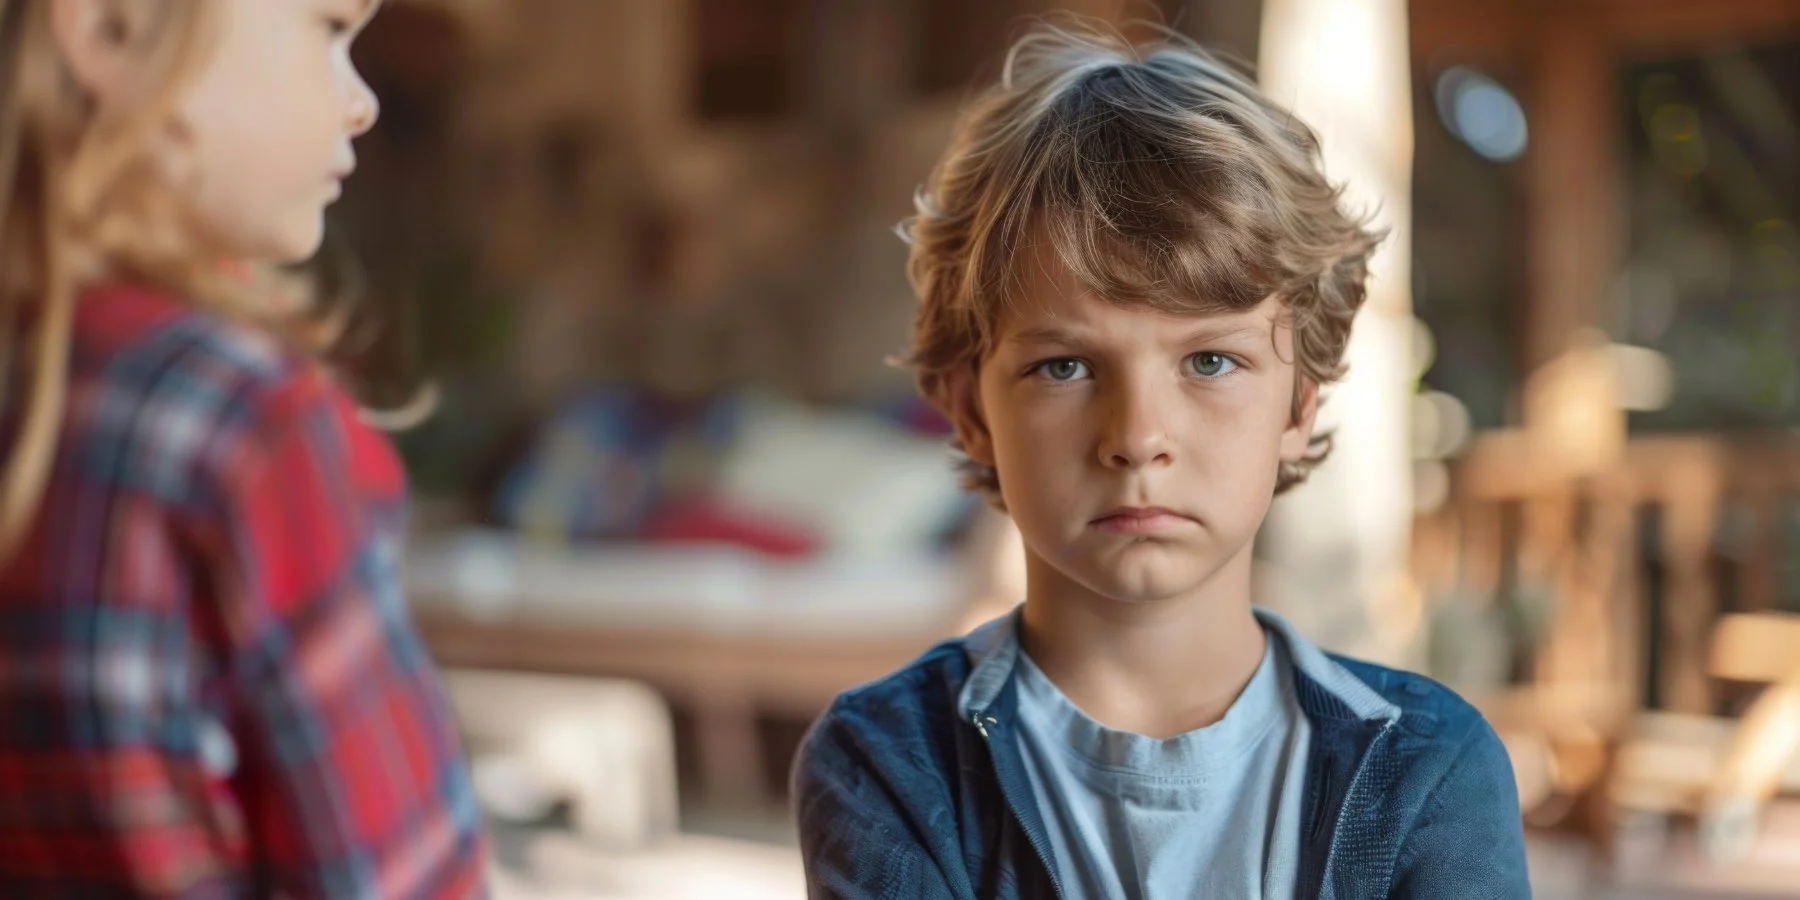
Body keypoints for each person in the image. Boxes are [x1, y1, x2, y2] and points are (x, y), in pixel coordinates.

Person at [793, 20, 1529, 899]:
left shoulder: (1428, 770)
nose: (1138, 436)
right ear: (971, 409)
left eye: (1211, 361)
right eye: (1064, 366)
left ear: (1300, 403)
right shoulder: (887, 766)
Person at [0, 1, 488, 895]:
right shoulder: (241, 424)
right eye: (328, 28)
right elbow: (405, 877)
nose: (362, 101)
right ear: (111, 27)